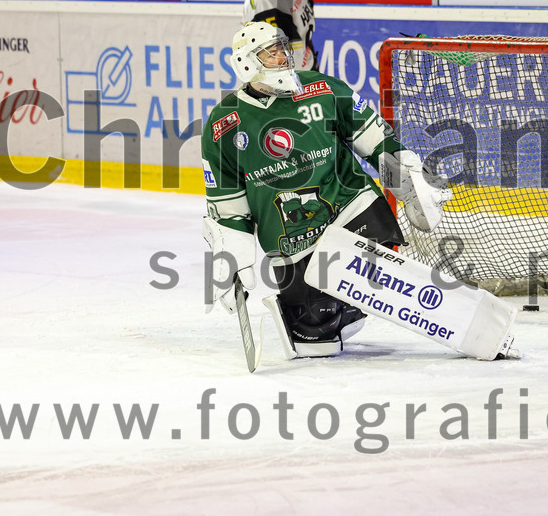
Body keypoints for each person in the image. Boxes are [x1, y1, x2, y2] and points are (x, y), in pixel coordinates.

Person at [200, 22, 515, 361]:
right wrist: (232, 252)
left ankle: (474, 328)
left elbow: (375, 139)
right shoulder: (223, 125)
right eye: (271, 52)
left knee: (380, 274)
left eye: (282, 48)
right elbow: (228, 206)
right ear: (247, 64)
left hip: (351, 210)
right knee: (313, 338)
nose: (283, 57)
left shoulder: (322, 88)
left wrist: (408, 180)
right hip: (291, 241)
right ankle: (341, 308)